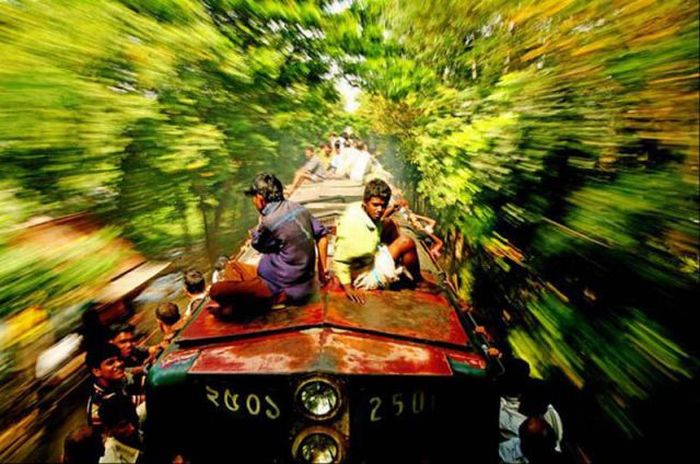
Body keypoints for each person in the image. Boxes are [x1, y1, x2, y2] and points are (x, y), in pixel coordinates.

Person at [208, 172, 329, 319]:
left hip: (279, 287)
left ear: (260, 198)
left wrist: (258, 227)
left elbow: (259, 246)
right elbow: (322, 235)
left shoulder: (269, 221)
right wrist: (322, 272)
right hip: (298, 281)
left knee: (215, 290)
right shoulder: (299, 208)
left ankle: (263, 303)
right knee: (234, 266)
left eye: (253, 197)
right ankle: (248, 301)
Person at [332, 179, 430, 304]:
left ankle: (399, 259)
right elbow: (340, 261)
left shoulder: (357, 208)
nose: (379, 210)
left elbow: (379, 218)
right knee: (406, 242)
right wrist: (348, 288)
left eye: (383, 206)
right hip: (364, 275)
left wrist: (391, 210)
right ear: (365, 203)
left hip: (366, 260)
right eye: (375, 205)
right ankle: (419, 282)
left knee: (389, 223)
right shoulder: (355, 230)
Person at [85, 343, 143, 428]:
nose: (119, 364)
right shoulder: (100, 402)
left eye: (119, 359)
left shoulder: (119, 379)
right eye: (110, 363)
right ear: (97, 371)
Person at [99, 395, 142, 464]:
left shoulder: (136, 418)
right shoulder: (111, 458)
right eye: (123, 426)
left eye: (134, 419)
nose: (132, 428)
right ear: (108, 431)